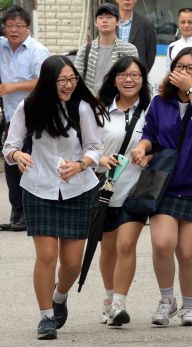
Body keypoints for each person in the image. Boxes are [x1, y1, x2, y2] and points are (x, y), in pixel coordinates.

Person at [2, 55, 107, 340]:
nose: (69, 85)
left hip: (77, 190)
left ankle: (59, 297)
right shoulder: (29, 107)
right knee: (46, 256)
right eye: (62, 80)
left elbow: (95, 147)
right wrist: (17, 155)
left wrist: (82, 164)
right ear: (49, 81)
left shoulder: (82, 108)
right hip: (38, 188)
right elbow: (9, 145)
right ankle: (46, 317)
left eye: (72, 79)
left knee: (72, 262)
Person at [131, 47, 192, 327]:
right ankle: (166, 300)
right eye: (179, 67)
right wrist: (142, 147)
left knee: (187, 252)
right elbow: (150, 133)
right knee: (162, 243)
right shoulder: (160, 101)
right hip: (165, 183)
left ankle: (189, 306)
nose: (183, 72)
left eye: (191, 68)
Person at [95, 56, 151, 326]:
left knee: (126, 245)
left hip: (136, 191)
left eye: (135, 75)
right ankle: (108, 298)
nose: (129, 80)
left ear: (143, 79)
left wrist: (148, 157)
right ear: (114, 79)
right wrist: (102, 159)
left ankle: (119, 303)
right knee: (107, 250)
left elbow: (161, 145)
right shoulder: (99, 110)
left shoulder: (153, 109)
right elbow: (88, 146)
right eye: (123, 75)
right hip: (106, 190)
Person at [0, 5, 50, 232]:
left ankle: (31, 213)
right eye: (9, 25)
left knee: (29, 164)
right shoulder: (1, 47)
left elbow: (44, 81)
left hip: (34, 116)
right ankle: (16, 213)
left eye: (19, 26)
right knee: (11, 164)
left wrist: (13, 86)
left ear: (28, 28)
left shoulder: (38, 51)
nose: (14, 30)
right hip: (11, 115)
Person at [74, 3, 138, 95]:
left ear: (118, 22)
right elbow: (76, 79)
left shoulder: (129, 50)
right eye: (100, 17)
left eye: (109, 17)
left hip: (118, 101)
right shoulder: (84, 50)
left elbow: (134, 78)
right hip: (90, 102)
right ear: (96, 23)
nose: (104, 21)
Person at [115, 0, 158, 73]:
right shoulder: (109, 22)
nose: (127, 0)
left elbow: (150, 54)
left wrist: (142, 75)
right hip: (112, 74)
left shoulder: (146, 24)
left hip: (136, 75)